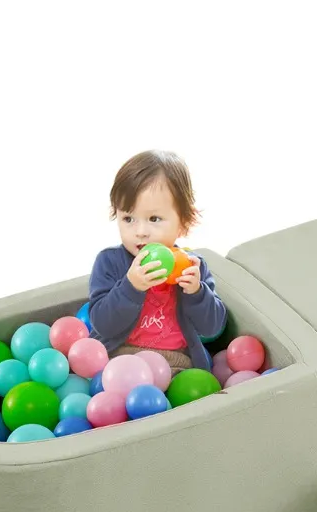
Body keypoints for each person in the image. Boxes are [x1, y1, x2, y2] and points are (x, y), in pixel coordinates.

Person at [86, 150, 226, 371]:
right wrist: (131, 287)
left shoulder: (191, 266)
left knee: (187, 389)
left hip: (174, 361)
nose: (140, 231)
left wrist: (197, 292)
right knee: (110, 384)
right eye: (128, 218)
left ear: (183, 223)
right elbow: (103, 324)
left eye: (154, 218)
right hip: (119, 354)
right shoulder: (109, 262)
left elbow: (212, 328)